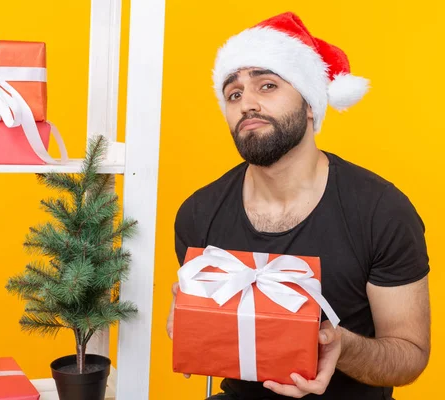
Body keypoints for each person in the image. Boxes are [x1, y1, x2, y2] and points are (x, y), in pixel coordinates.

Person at [166, 11, 431, 400]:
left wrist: (342, 346)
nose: (247, 104)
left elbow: (410, 354)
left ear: (310, 104)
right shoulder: (199, 214)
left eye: (267, 85)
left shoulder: (381, 212)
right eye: (234, 93)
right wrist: (196, 320)